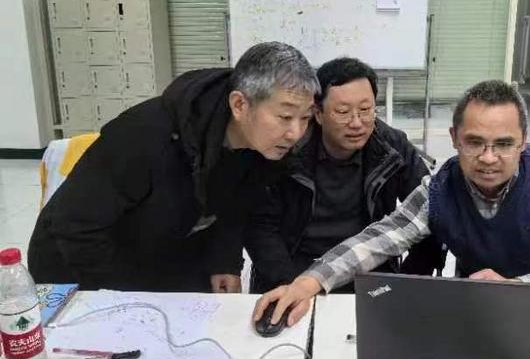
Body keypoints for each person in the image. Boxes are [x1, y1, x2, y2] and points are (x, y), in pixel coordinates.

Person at [253, 79, 530, 327]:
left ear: (524, 141)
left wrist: (518, 289)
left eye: (504, 144)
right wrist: (309, 282)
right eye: (475, 142)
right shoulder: (441, 187)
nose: (489, 158)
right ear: (455, 139)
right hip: (480, 317)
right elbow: (382, 236)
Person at [28, 42, 319, 293]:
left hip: (164, 250)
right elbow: (75, 228)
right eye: (285, 116)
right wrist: (133, 299)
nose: (295, 133)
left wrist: (224, 260)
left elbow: (235, 204)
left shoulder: (260, 148)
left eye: (305, 118)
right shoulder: (144, 136)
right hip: (76, 267)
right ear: (240, 104)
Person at [245, 57, 442, 293]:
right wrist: (288, 287)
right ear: (318, 113)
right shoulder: (287, 146)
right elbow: (260, 225)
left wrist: (406, 282)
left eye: (366, 110)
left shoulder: (392, 147)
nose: (357, 123)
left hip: (370, 270)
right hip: (296, 270)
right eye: (343, 111)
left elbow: (432, 211)